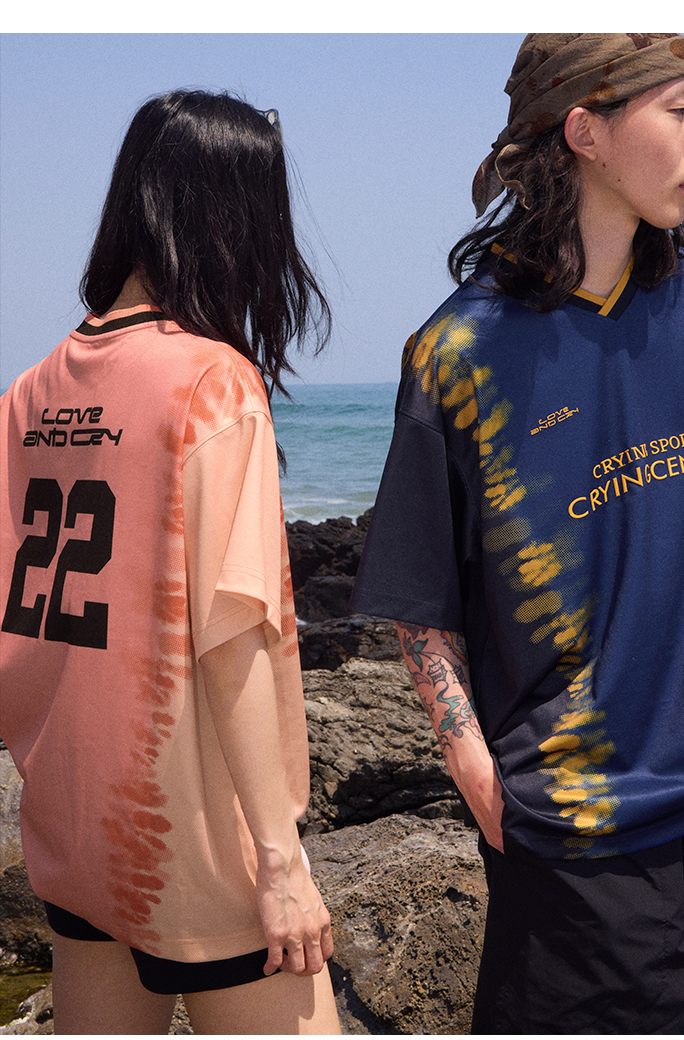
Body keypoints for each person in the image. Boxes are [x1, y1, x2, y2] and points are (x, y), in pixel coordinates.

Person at [351, 34, 684, 1034]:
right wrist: (485, 786)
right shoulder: (459, 354)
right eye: (679, 108)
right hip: (579, 832)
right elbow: (422, 607)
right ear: (585, 131)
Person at [0, 90, 341, 1035]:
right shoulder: (211, 383)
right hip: (193, 845)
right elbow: (233, 637)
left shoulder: (28, 393)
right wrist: (279, 858)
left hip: (73, 829)